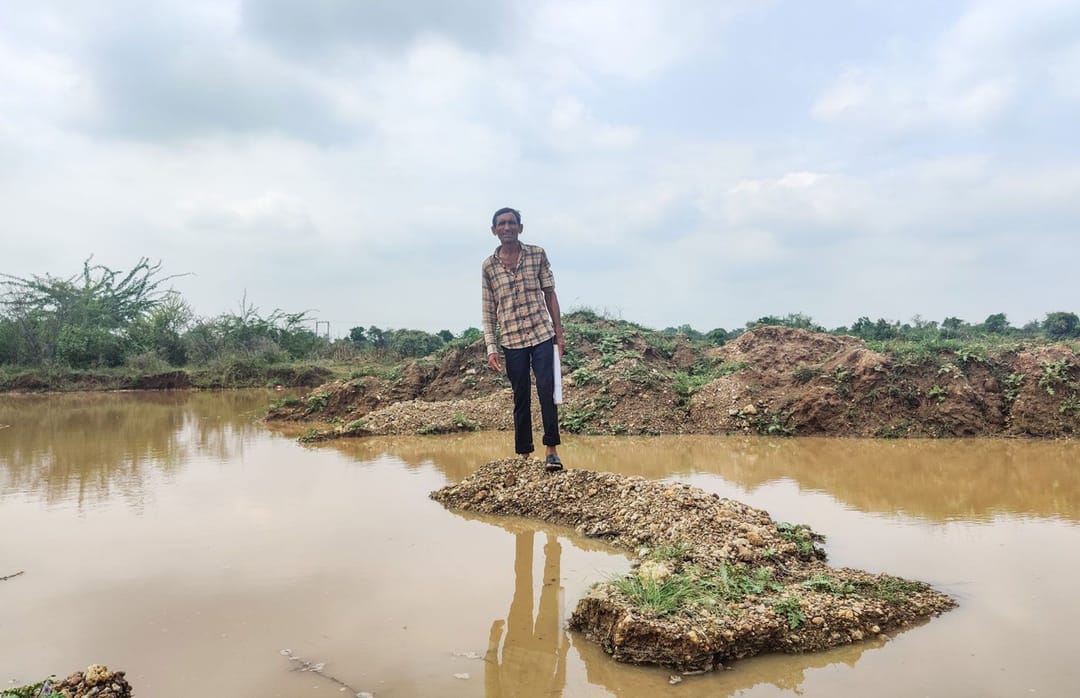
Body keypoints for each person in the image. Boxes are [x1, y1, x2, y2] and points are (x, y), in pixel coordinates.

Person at [482, 206, 565, 471]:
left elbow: (550, 294)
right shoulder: (489, 267)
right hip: (512, 339)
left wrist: (559, 336)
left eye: (511, 223)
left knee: (546, 391)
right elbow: (488, 309)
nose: (507, 227)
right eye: (501, 224)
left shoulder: (537, 254)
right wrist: (491, 347)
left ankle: (551, 450)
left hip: (541, 333)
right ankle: (524, 454)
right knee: (520, 396)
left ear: (520, 227)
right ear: (494, 231)